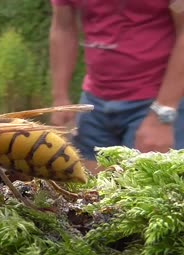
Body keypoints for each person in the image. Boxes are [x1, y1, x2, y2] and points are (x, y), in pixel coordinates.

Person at [48, 0, 184, 173]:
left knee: (146, 191)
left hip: (156, 101)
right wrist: (60, 97)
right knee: (90, 191)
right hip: (94, 103)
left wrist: (163, 113)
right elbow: (63, 27)